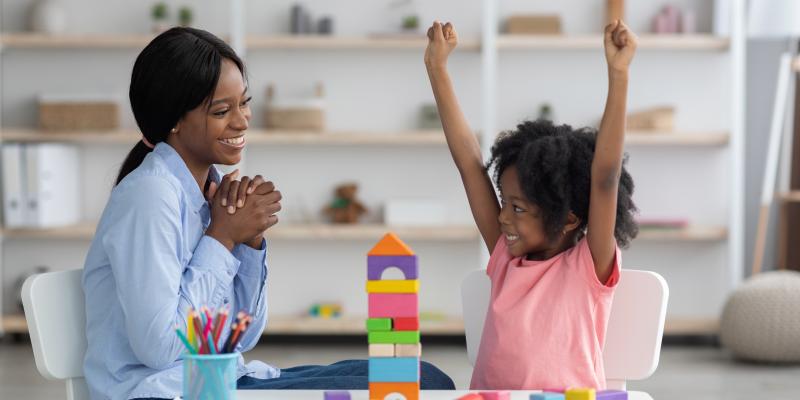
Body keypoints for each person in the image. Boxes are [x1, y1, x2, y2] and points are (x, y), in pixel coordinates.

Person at [82, 27, 453, 400]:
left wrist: (247, 243)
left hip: (219, 379)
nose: (242, 121)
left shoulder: (205, 194)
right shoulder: (150, 195)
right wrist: (223, 238)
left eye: (244, 102)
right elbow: (159, 347)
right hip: (170, 391)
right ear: (174, 120)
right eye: (222, 111)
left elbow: (242, 336)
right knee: (421, 386)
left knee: (422, 375)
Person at [424, 20, 639, 390]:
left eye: (518, 208)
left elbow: (605, 177)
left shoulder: (587, 265)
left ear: (569, 219)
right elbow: (469, 164)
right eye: (505, 202)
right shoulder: (507, 259)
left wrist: (618, 75)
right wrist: (437, 68)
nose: (503, 217)